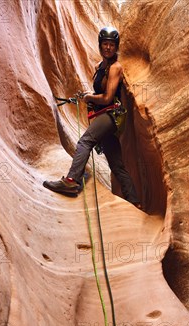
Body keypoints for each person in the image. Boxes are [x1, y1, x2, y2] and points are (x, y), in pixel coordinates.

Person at [44, 27, 141, 210]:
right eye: (105, 44)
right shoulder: (100, 67)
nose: (108, 48)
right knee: (117, 164)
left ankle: (72, 181)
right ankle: (135, 201)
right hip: (103, 115)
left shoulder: (115, 68)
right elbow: (100, 93)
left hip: (111, 115)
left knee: (85, 141)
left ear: (116, 47)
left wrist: (89, 98)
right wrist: (90, 95)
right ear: (100, 45)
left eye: (111, 45)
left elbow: (107, 98)